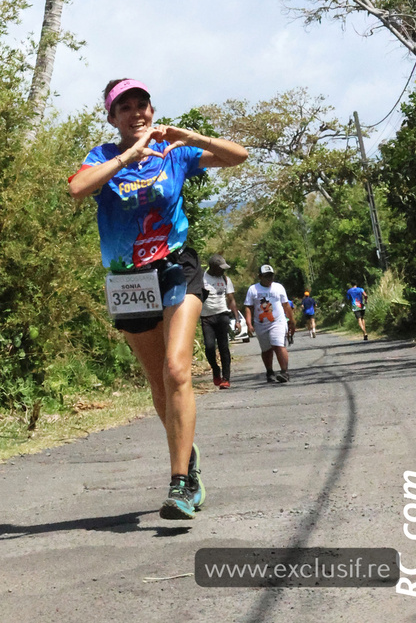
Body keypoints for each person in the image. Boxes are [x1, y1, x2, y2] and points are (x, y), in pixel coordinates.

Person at [68, 78, 248, 520]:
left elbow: (238, 157)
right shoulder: (103, 156)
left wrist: (190, 136)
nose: (136, 113)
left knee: (176, 368)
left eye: (141, 104)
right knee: (157, 382)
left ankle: (180, 483)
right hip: (129, 280)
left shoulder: (176, 152)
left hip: (175, 266)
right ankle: (188, 456)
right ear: (112, 118)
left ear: (152, 108)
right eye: (124, 107)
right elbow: (78, 189)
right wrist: (129, 156)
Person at [243, 265, 296, 383]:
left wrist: (292, 321)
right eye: (266, 276)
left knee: (278, 345)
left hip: (278, 321)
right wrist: (249, 323)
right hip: (261, 323)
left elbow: (286, 305)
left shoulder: (278, 288)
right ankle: (269, 371)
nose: (269, 278)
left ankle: (284, 372)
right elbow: (248, 307)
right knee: (266, 350)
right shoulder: (253, 289)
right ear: (260, 276)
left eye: (271, 276)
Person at [200, 254, 240, 389]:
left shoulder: (225, 279)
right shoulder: (202, 278)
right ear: (212, 267)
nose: (223, 271)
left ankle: (226, 378)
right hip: (206, 317)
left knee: (224, 347)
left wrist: (237, 319)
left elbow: (231, 299)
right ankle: (215, 369)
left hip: (222, 315)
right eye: (220, 268)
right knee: (209, 347)